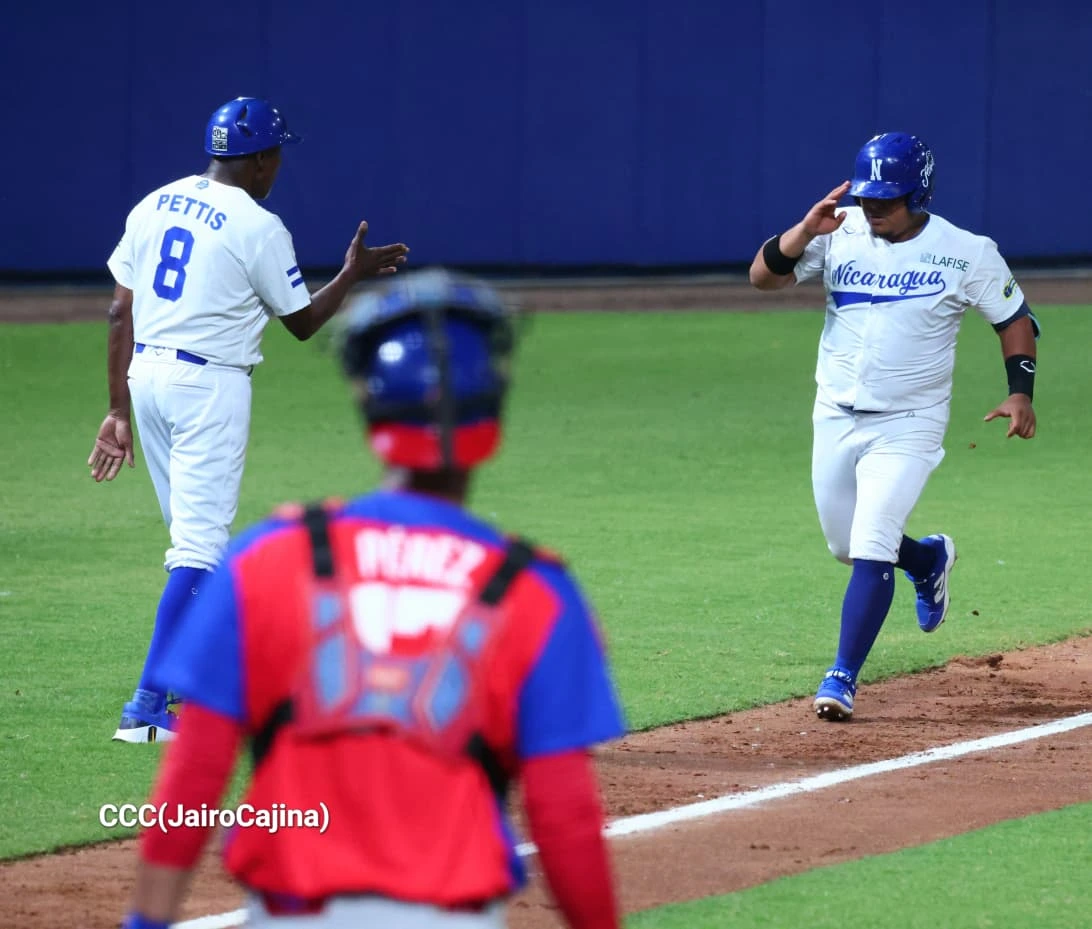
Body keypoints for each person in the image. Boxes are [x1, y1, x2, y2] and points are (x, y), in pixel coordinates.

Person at [118, 269, 626, 929]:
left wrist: (146, 922)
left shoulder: (266, 560)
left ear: (369, 408)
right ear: (493, 414)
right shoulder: (537, 594)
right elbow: (564, 815)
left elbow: (194, 776)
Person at [87, 96, 409, 743]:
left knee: (197, 545)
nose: (279, 166)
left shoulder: (154, 203)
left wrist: (117, 408)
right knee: (199, 549)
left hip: (145, 379)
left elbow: (121, 312)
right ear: (260, 160)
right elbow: (302, 322)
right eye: (277, 154)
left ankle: (213, 684)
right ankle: (147, 706)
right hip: (208, 388)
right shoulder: (258, 225)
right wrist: (351, 274)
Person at [748, 131, 1039, 722]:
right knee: (844, 546)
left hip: (910, 422)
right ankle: (928, 562)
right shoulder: (839, 229)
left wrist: (1019, 393)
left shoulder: (967, 252)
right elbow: (762, 277)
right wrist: (804, 231)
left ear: (918, 194)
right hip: (835, 413)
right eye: (867, 195)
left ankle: (841, 677)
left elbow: (1014, 318)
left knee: (872, 541)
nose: (874, 207)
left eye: (887, 198)